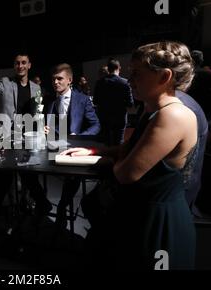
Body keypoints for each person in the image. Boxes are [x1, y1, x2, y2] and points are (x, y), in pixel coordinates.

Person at [62, 41, 198, 269]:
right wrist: (97, 150)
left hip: (158, 222)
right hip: (142, 213)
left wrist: (105, 160)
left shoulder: (172, 115)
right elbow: (129, 150)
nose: (130, 80)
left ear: (164, 77)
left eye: (137, 74)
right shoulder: (153, 109)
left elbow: (127, 173)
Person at [0, 54, 52, 215]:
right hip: (6, 138)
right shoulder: (6, 83)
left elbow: (37, 111)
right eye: (17, 63)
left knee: (28, 174)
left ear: (29, 65)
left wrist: (42, 127)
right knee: (4, 177)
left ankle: (36, 203)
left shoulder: (36, 88)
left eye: (23, 63)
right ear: (14, 66)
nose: (20, 66)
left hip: (25, 137)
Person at [44, 64, 100, 226]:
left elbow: (96, 126)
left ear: (70, 80)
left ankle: (62, 207)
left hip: (75, 148)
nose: (55, 82)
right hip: (54, 147)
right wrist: (47, 128)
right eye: (54, 79)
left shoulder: (82, 99)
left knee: (72, 176)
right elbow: (52, 125)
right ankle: (41, 202)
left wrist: (79, 136)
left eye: (59, 79)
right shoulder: (51, 101)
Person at [93, 58, 134, 146]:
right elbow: (130, 103)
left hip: (104, 116)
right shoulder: (125, 83)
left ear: (108, 68)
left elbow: (95, 101)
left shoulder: (99, 83)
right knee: (119, 140)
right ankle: (117, 158)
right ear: (119, 68)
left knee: (106, 141)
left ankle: (106, 158)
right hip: (120, 116)